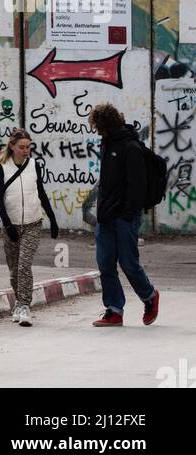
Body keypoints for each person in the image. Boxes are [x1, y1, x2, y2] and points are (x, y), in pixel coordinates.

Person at [89, 103, 160, 328]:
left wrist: (128, 213)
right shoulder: (108, 144)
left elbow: (137, 185)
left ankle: (149, 297)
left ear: (106, 125)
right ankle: (114, 310)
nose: (97, 131)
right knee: (105, 263)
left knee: (128, 263)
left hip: (124, 217)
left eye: (98, 126)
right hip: (106, 217)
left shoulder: (130, 147)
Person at [0, 128, 58, 326]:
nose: (25, 150)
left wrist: (52, 219)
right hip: (11, 225)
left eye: (28, 147)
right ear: (12, 147)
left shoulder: (34, 165)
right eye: (21, 147)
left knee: (24, 265)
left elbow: (42, 193)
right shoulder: (2, 167)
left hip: (32, 223)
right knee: (14, 270)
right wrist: (7, 224)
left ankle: (25, 306)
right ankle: (18, 303)